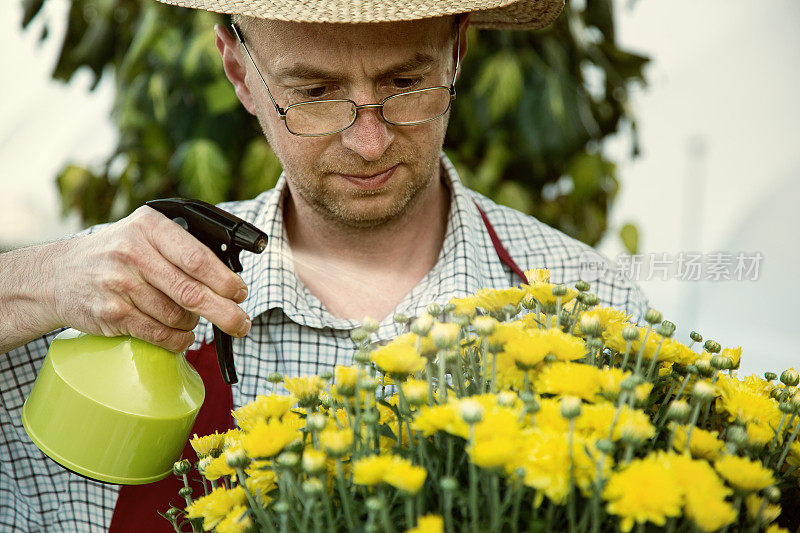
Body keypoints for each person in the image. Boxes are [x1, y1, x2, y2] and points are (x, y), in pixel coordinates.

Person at [0, 0, 648, 530]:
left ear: (457, 51)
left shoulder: (596, 313)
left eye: (404, 83)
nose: (368, 142)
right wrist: (33, 280)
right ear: (238, 71)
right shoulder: (111, 300)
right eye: (314, 92)